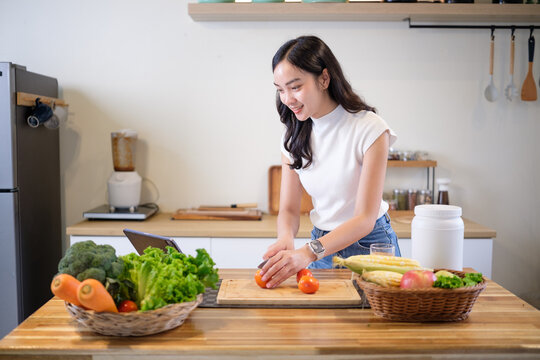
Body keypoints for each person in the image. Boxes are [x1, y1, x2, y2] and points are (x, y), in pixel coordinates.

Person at [259, 35, 401, 288]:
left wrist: (307, 252)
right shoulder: (293, 135)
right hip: (321, 247)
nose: (287, 99)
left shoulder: (369, 129)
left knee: (377, 325)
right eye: (280, 90)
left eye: (295, 86)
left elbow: (365, 218)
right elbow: (289, 209)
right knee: (323, 327)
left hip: (371, 245)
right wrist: (285, 238)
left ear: (324, 78)